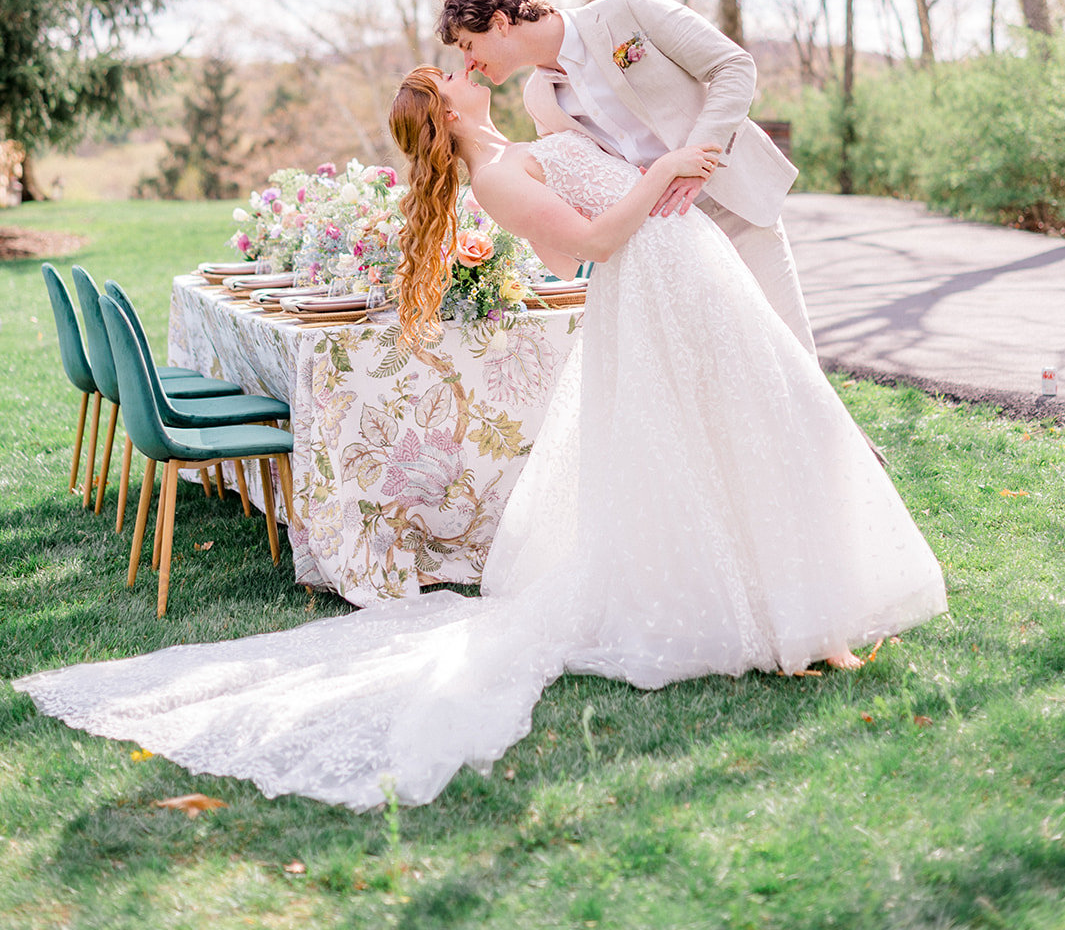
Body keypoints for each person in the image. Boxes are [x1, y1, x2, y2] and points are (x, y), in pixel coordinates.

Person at [14, 68, 947, 812]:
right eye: (455, 68)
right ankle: (780, 621)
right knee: (714, 444)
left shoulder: (518, 137)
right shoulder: (496, 175)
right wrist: (660, 178)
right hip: (656, 289)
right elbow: (577, 250)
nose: (470, 66)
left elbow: (560, 94)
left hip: (696, 278)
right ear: (445, 109)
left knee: (767, 428)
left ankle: (802, 609)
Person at [438, 0, 816, 354]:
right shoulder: (538, 101)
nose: (468, 63)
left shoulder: (629, 10)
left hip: (734, 205)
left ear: (500, 22)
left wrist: (699, 162)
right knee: (726, 364)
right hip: (668, 242)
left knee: (792, 353)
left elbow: (733, 66)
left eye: (468, 45)